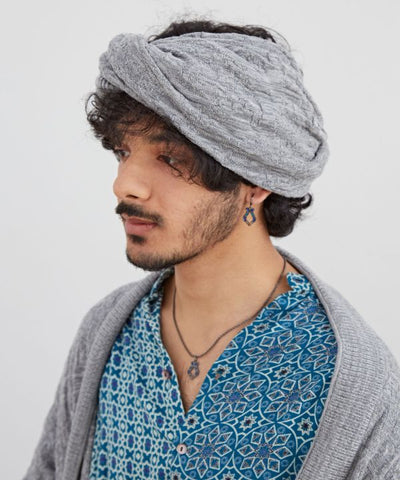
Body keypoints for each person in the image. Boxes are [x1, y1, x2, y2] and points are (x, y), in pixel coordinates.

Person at [23, 19, 400, 480]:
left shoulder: (351, 381)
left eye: (170, 159)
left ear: (256, 182)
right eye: (123, 152)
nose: (124, 185)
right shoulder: (107, 334)